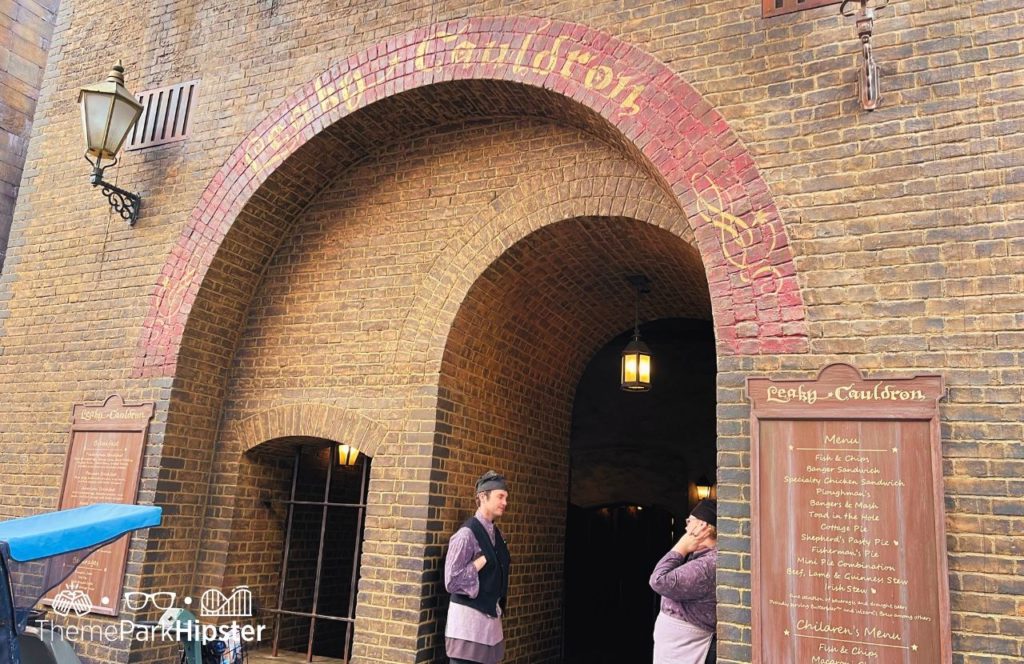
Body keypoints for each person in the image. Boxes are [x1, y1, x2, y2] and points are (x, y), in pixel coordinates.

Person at [444, 470, 511, 664]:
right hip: (468, 631)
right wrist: (478, 563)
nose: (505, 502)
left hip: (490, 629)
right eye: (500, 496)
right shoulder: (466, 535)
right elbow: (452, 581)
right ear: (483, 497)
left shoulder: (498, 535)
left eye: (506, 497)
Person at [649, 499, 718, 664]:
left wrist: (681, 547)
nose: (686, 528)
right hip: (678, 648)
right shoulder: (701, 557)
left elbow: (658, 581)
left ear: (705, 527)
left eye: (690, 521)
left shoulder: (707, 564)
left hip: (686, 648)